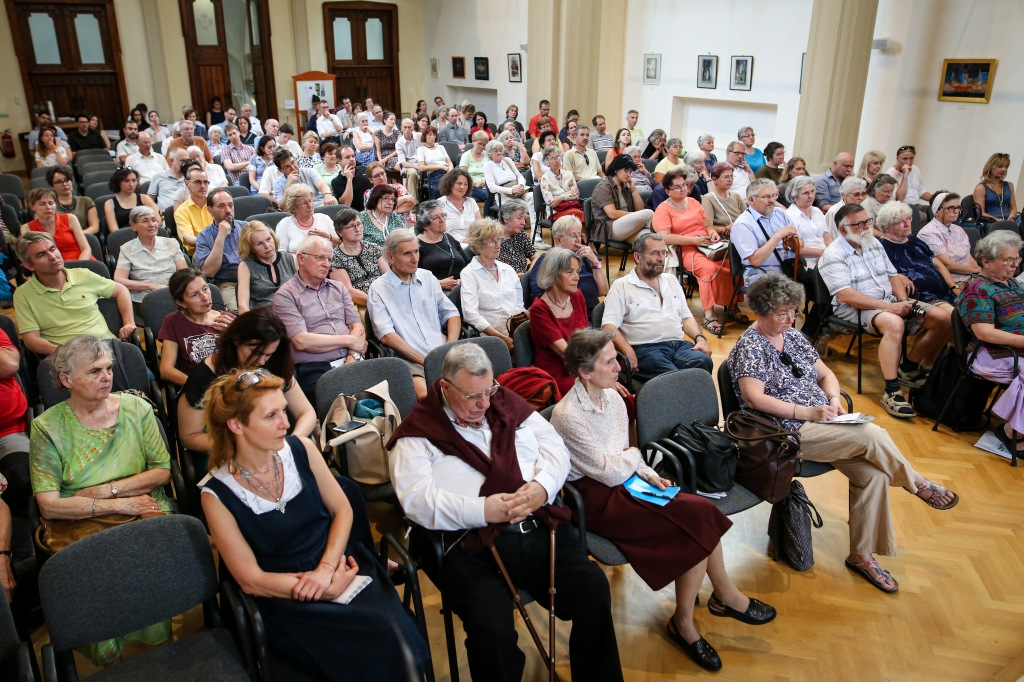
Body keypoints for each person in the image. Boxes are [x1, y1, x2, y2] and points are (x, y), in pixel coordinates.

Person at [388, 342, 624, 682]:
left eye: (489, 390)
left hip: (540, 529)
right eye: (472, 396)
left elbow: (555, 448)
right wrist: (483, 510)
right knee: (492, 632)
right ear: (445, 388)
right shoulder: (418, 432)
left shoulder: (504, 401)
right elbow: (417, 501)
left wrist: (542, 486)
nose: (484, 403)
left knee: (593, 590)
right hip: (472, 547)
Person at [554, 329, 776, 671]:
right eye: (609, 362)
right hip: (594, 497)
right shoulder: (569, 416)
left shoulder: (613, 397)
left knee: (702, 512)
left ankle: (719, 598)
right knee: (691, 529)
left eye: (616, 358)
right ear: (584, 372)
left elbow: (624, 453)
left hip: (626, 480)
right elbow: (609, 472)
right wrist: (634, 460)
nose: (619, 366)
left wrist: (647, 472)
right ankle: (692, 618)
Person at [727, 273, 958, 594]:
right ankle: (917, 483)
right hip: (784, 434)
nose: (791, 319)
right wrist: (808, 412)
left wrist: (834, 399)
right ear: (761, 311)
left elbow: (826, 375)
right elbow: (754, 399)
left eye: (794, 311)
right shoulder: (750, 346)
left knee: (873, 475)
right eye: (782, 313)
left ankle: (861, 556)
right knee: (872, 434)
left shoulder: (792, 336)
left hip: (823, 422)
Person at [200, 368, 428, 680]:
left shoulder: (301, 449)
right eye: (271, 416)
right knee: (341, 659)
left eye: (284, 410)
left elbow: (343, 510)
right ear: (236, 424)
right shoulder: (216, 495)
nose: (285, 422)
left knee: (395, 640)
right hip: (285, 594)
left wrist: (326, 569)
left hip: (338, 563)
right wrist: (320, 590)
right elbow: (251, 579)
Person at [30, 335, 173, 664]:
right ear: (66, 380)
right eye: (94, 371)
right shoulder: (47, 428)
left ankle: (160, 653)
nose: (107, 377)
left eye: (108, 368)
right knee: (98, 571)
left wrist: (105, 490)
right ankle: (113, 660)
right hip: (80, 522)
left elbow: (162, 471)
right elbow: (49, 505)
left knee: (148, 559)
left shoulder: (136, 408)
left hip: (143, 509)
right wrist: (118, 503)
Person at [818, 204, 952, 417]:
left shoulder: (873, 244)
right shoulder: (833, 254)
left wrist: (904, 301)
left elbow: (893, 276)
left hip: (887, 301)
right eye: (860, 224)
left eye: (868, 221)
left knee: (944, 318)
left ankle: (908, 369)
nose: (867, 227)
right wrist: (890, 307)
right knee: (894, 322)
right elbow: (846, 295)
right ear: (843, 229)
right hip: (853, 307)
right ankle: (891, 390)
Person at [178, 308, 316, 457]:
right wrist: (244, 445)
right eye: (255, 353)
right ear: (236, 340)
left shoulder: (275, 363)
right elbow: (189, 436)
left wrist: (289, 444)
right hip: (228, 452)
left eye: (268, 354)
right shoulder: (206, 375)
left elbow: (306, 413)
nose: (261, 361)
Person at [602, 232, 713, 379]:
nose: (661, 258)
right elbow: (608, 326)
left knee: (703, 361)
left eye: (664, 253)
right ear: (637, 257)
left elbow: (686, 317)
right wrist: (627, 350)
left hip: (678, 345)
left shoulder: (671, 280)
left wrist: (700, 339)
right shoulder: (621, 286)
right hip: (646, 349)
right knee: (672, 377)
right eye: (655, 253)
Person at [367, 229, 461, 399]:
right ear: (390, 257)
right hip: (411, 358)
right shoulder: (379, 288)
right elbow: (386, 335)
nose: (414, 259)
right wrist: (427, 362)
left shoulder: (428, 277)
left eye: (416, 251)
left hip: (443, 350)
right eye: (407, 254)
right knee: (427, 395)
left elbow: (452, 314)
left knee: (476, 383)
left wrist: (449, 347)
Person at [272, 236, 367, 402]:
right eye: (320, 257)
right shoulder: (286, 295)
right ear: (301, 258)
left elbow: (357, 326)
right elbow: (301, 341)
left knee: (384, 397)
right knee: (340, 406)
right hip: (316, 367)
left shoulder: (338, 288)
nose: (326, 264)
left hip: (353, 358)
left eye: (329, 259)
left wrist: (352, 357)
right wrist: (350, 341)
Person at [955, 230, 1024, 452]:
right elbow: (985, 333)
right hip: (991, 353)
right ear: (986, 262)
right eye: (1008, 260)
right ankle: (1013, 434)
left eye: (1017, 258)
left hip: (1014, 349)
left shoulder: (1011, 283)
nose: (1015, 265)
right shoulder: (978, 289)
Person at [654, 167, 742, 334]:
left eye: (684, 185)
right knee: (708, 269)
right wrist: (694, 240)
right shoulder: (663, 209)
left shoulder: (694, 202)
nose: (683, 189)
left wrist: (713, 233)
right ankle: (709, 315)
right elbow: (664, 237)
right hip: (684, 248)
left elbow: (707, 225)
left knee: (732, 262)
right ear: (667, 191)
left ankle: (731, 306)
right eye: (677, 187)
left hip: (706, 243)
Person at [158, 268, 234, 386]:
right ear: (181, 302)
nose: (205, 298)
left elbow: (251, 357)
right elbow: (166, 370)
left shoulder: (227, 320)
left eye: (205, 289)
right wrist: (199, 386)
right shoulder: (173, 322)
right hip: (199, 386)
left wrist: (235, 333)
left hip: (231, 383)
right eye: (195, 295)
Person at [528, 248, 589, 393]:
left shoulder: (577, 295)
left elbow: (587, 339)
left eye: (577, 271)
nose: (577, 277)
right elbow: (565, 353)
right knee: (605, 392)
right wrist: (597, 376)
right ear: (553, 274)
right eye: (569, 272)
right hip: (559, 374)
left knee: (620, 396)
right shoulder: (539, 309)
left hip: (582, 366)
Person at [461, 219, 527, 348]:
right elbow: (470, 314)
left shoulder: (508, 270)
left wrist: (519, 332)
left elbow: (519, 306)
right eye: (492, 242)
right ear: (477, 247)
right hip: (490, 337)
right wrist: (502, 338)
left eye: (499, 240)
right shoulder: (469, 273)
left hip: (515, 331)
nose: (498, 245)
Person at [877, 202, 957, 306]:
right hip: (923, 300)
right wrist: (898, 276)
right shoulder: (881, 248)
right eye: (900, 222)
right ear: (886, 227)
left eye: (908, 219)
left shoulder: (914, 240)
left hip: (946, 295)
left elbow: (938, 264)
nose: (907, 224)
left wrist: (953, 287)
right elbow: (881, 275)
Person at [527, 215, 607, 317]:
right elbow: (538, 297)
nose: (578, 240)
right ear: (558, 240)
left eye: (580, 235)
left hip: (593, 315)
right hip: (566, 317)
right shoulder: (546, 260)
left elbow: (603, 291)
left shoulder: (584, 257)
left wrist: (595, 262)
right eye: (573, 236)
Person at [114, 206, 187, 304]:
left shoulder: (171, 243)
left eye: (154, 220)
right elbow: (119, 279)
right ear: (133, 226)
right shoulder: (127, 249)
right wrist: (150, 286)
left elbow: (184, 272)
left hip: (172, 293)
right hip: (143, 298)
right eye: (145, 221)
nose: (151, 225)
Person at [194, 187, 244, 312]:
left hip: (254, 278)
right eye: (221, 206)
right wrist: (221, 236)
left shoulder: (246, 228)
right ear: (210, 210)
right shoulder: (204, 236)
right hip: (228, 284)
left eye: (230, 205)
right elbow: (209, 272)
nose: (228, 210)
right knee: (235, 313)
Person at [918, 192, 980, 286]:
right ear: (937, 211)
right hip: (951, 282)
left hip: (970, 277)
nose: (956, 211)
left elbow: (968, 258)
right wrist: (977, 270)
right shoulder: (928, 233)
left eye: (958, 207)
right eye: (951, 208)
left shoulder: (959, 230)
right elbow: (948, 265)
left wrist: (980, 274)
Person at [329, 208, 388, 307]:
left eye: (359, 224)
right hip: (360, 305)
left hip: (385, 297)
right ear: (339, 232)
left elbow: (388, 277)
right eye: (351, 226)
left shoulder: (374, 248)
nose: (357, 229)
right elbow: (348, 291)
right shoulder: (335, 258)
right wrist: (377, 303)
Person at [591, 154, 654, 245]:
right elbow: (612, 214)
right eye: (626, 171)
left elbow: (640, 209)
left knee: (650, 238)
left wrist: (633, 190)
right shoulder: (603, 187)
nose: (628, 175)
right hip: (609, 228)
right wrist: (635, 215)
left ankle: (669, 253)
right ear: (616, 169)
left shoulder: (626, 185)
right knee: (649, 213)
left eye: (630, 171)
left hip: (626, 226)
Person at [237, 221, 297, 314]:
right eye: (259, 243)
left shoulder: (291, 259)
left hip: (294, 313)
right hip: (264, 318)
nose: (267, 246)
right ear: (251, 248)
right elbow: (243, 306)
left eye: (268, 239)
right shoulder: (245, 267)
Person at [21, 188, 91, 262]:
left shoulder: (70, 218)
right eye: (42, 204)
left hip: (80, 261)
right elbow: (31, 257)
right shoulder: (26, 228)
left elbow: (86, 249)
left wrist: (80, 265)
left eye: (51, 203)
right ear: (32, 206)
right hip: (50, 265)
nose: (48, 207)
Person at [415, 199, 466, 290]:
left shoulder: (448, 238)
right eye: (436, 218)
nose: (442, 220)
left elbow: (468, 264)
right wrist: (437, 284)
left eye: (443, 215)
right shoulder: (416, 246)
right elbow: (412, 277)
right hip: (433, 293)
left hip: (460, 290)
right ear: (425, 225)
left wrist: (463, 280)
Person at [260, 149, 337, 208]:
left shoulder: (309, 171)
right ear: (280, 170)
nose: (293, 168)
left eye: (293, 162)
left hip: (317, 204)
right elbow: (283, 207)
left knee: (333, 200)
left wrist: (327, 194)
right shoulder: (278, 183)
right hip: (297, 210)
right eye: (287, 167)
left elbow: (322, 185)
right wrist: (288, 186)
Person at [484, 140, 536, 227]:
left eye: (500, 150)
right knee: (519, 209)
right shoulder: (488, 166)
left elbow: (519, 175)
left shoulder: (507, 160)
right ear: (490, 154)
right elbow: (492, 188)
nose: (499, 152)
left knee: (533, 197)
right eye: (495, 151)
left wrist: (521, 185)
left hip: (519, 191)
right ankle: (524, 223)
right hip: (504, 195)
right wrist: (511, 190)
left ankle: (535, 229)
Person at [784, 176, 831, 269]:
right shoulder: (789, 216)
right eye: (806, 193)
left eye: (812, 191)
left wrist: (832, 252)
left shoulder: (817, 211)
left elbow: (827, 237)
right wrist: (825, 253)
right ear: (794, 197)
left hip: (826, 257)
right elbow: (798, 250)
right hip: (806, 263)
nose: (811, 196)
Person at [276, 184, 337, 253]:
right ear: (294, 207)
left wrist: (327, 236)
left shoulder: (324, 218)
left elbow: (342, 244)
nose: (310, 206)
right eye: (305, 203)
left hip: (328, 258)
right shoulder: (284, 224)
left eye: (310, 201)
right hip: (297, 259)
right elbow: (281, 254)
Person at [104, 166, 158, 232]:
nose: (131, 184)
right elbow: (114, 231)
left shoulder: (144, 198)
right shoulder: (109, 204)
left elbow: (158, 220)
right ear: (118, 183)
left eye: (134, 180)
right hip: (123, 236)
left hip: (147, 233)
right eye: (126, 181)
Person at [47, 165, 98, 235]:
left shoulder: (86, 201)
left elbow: (95, 227)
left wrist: (76, 236)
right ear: (52, 186)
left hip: (84, 237)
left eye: (67, 180)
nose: (64, 184)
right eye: (59, 182)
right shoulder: (48, 205)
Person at [540, 146, 585, 223]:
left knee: (584, 213)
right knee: (578, 214)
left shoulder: (569, 174)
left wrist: (561, 197)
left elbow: (576, 194)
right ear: (547, 163)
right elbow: (551, 202)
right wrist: (569, 193)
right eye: (552, 158)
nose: (556, 160)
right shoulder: (545, 178)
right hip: (556, 211)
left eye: (557, 157)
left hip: (571, 206)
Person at [173, 166, 212, 255]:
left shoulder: (215, 205)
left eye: (205, 182)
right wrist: (213, 242)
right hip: (198, 252)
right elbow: (189, 238)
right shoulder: (181, 211)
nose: (203, 186)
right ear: (187, 184)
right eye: (198, 182)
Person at [701, 162, 746, 237]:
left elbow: (748, 217)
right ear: (715, 179)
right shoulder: (708, 198)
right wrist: (724, 229)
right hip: (724, 238)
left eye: (731, 176)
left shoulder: (736, 196)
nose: (730, 180)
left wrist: (735, 225)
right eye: (726, 177)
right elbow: (707, 226)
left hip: (742, 233)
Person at [973, 153, 1020, 225]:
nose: (1004, 169)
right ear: (990, 167)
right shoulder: (981, 188)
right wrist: (998, 220)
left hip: (1009, 221)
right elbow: (981, 213)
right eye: (1000, 166)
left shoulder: (1009, 185)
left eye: (1006, 167)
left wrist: (1011, 216)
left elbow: (1013, 208)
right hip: (992, 223)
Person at [496, 199, 538, 274]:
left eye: (524, 219)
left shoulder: (520, 234)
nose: (523, 223)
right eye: (519, 218)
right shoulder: (492, 238)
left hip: (521, 278)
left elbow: (535, 257)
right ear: (506, 218)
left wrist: (528, 275)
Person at [438, 168, 480, 244]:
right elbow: (438, 230)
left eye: (465, 184)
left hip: (472, 243)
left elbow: (479, 226)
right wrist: (462, 240)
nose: (462, 187)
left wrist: (472, 240)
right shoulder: (440, 204)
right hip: (449, 244)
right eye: (459, 183)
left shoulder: (471, 202)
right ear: (450, 184)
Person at [147, 148, 189, 212]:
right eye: (182, 161)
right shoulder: (159, 176)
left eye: (187, 161)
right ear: (171, 161)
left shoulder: (191, 177)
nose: (185, 164)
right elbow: (150, 198)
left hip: (187, 214)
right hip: (164, 214)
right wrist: (155, 209)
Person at [417, 126, 452, 199]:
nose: (432, 137)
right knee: (440, 188)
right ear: (425, 136)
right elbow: (422, 167)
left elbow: (449, 162)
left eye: (434, 135)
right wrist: (441, 167)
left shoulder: (441, 147)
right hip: (434, 174)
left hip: (447, 172)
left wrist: (450, 171)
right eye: (429, 135)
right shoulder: (421, 149)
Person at [458, 131, 490, 204]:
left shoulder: (487, 155)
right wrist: (475, 184)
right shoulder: (466, 156)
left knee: (498, 193)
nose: (481, 147)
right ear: (473, 141)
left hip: (487, 184)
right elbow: (462, 176)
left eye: (484, 144)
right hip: (471, 186)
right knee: (488, 195)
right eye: (479, 143)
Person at [394, 118, 421, 196]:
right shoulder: (399, 143)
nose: (407, 129)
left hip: (421, 163)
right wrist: (417, 167)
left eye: (409, 127)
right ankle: (413, 200)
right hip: (408, 166)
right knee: (412, 173)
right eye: (405, 127)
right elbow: (403, 163)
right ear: (401, 128)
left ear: (413, 128)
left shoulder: (419, 136)